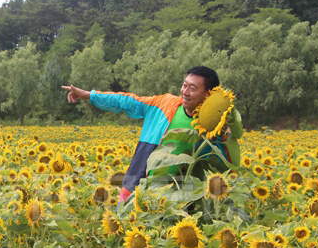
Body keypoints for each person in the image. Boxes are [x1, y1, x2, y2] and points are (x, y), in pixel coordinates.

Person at [62, 66, 232, 203]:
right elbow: (126, 101)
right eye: (184, 85)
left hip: (176, 199)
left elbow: (222, 165)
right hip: (135, 185)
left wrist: (225, 136)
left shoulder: (211, 128)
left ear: (208, 94)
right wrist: (90, 95)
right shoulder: (164, 104)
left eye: (192, 88)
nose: (185, 91)